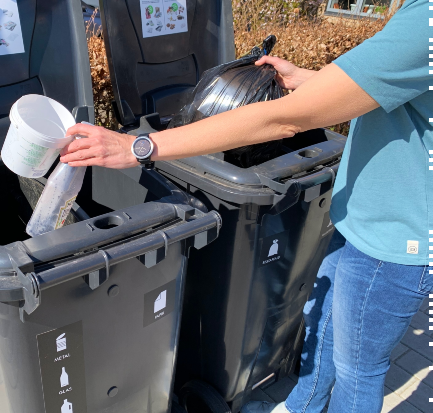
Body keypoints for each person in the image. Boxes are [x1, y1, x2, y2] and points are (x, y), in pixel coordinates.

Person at [61, 0, 431, 411]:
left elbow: (285, 120)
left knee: (357, 368)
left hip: (397, 237)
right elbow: (379, 88)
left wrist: (141, 146)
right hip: (365, 217)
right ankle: (302, 406)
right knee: (323, 324)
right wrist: (306, 79)